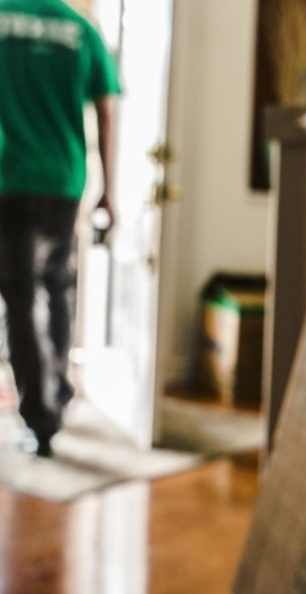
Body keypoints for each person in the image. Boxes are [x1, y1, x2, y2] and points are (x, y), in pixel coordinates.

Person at [0, 0, 120, 456]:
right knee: (56, 284)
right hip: (64, 180)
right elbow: (106, 111)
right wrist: (110, 189)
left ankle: (41, 418)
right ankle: (59, 390)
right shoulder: (80, 29)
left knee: (20, 294)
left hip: (10, 177)